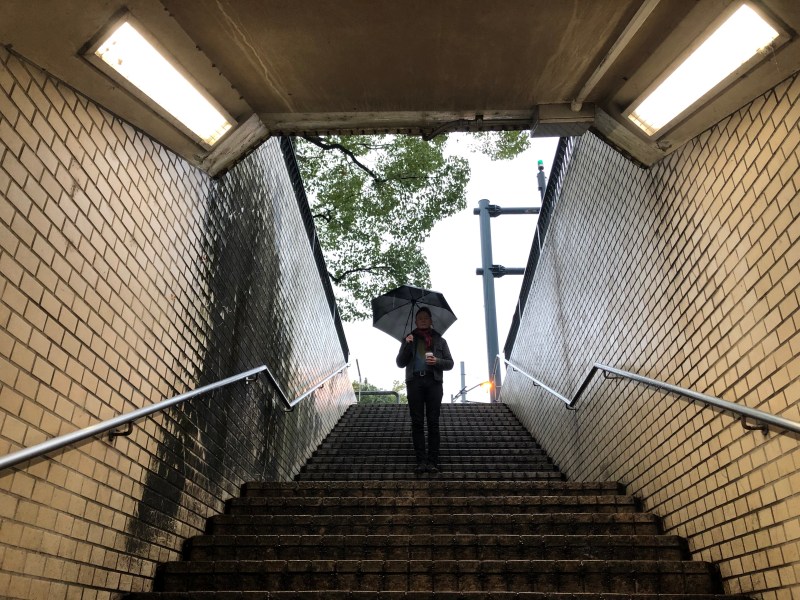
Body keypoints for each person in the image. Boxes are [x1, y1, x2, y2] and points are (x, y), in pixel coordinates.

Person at [396, 306, 454, 473]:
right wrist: (406, 345)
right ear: (415, 321)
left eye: (425, 317)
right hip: (414, 382)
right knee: (417, 422)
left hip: (434, 382)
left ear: (430, 321)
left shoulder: (440, 340)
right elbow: (400, 363)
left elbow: (450, 363)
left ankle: (433, 461)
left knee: (433, 422)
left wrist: (437, 361)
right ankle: (421, 460)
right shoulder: (409, 339)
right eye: (419, 317)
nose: (422, 320)